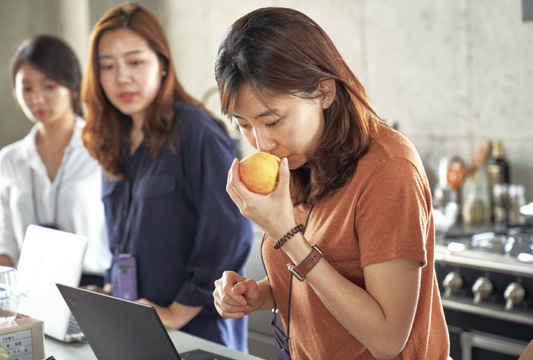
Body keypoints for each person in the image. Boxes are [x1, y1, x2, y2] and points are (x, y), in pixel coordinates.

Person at [213, 7, 450, 359]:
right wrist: (260, 294)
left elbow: (387, 340)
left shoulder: (389, 170)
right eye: (243, 125)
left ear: (324, 92)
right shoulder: (298, 161)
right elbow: (328, 282)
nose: (261, 144)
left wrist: (288, 237)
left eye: (273, 121)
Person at [81, 2, 253, 352]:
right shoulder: (116, 139)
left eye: (135, 61)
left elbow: (231, 231)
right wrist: (114, 290)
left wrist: (176, 311)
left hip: (196, 331)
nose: (122, 77)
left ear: (162, 63)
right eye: (107, 66)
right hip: (134, 325)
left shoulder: (197, 133)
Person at [0, 35, 112, 287]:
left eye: (49, 86)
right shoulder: (9, 160)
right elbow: (5, 242)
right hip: (29, 289)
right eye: (27, 88)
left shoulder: (102, 149)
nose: (37, 98)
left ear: (72, 87)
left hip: (94, 288)